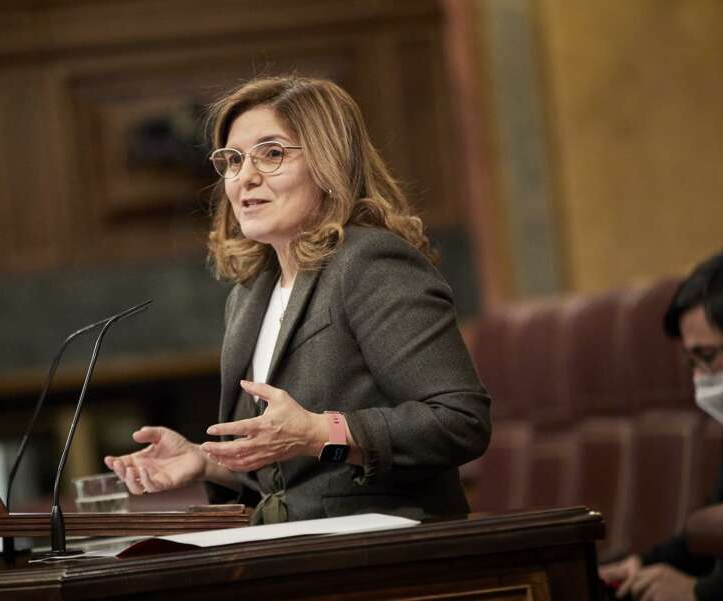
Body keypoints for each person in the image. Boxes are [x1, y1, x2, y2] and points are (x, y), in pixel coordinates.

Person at [104, 75, 491, 524]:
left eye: (271, 154)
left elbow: (461, 421)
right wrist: (209, 462)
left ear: (329, 166)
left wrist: (318, 431)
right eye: (232, 160)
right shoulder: (251, 293)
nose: (245, 177)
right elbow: (296, 479)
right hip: (299, 550)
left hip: (386, 549)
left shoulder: (370, 263)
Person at [599, 246, 723, 601]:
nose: (699, 377)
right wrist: (643, 563)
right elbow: (720, 532)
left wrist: (698, 592)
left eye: (707, 357)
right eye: (690, 361)